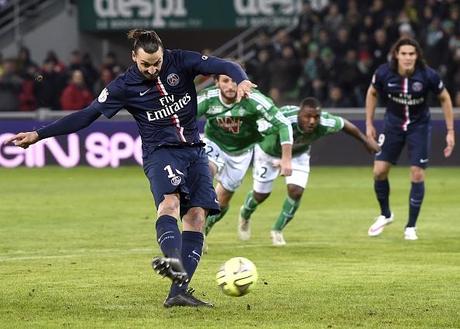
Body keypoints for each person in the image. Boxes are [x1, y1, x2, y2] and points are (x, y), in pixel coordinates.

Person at [4, 29, 256, 308]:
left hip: (195, 151)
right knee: (170, 204)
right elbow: (86, 116)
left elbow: (225, 65)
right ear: (134, 57)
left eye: (157, 62)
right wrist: (39, 135)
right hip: (160, 153)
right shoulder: (122, 87)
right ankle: (173, 261)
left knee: (197, 217)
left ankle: (178, 293)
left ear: (163, 54)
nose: (152, 69)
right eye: (145, 63)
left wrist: (242, 79)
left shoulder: (181, 61)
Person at [238, 97, 380, 246]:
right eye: (308, 117)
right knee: (261, 195)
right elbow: (256, 125)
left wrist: (365, 141)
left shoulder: (325, 122)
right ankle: (245, 213)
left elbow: (345, 124)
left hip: (298, 155)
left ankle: (277, 230)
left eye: (316, 117)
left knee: (296, 191)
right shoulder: (283, 117)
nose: (312, 121)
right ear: (300, 114)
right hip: (268, 153)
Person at [365, 37, 455, 240]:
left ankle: (410, 227)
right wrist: (369, 123)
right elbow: (372, 93)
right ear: (396, 54)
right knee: (379, 171)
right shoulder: (383, 73)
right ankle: (386, 214)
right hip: (392, 125)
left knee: (417, 174)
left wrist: (450, 131)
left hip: (419, 126)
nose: (407, 58)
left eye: (411, 54)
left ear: (417, 56)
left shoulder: (428, 75)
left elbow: (445, 97)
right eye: (404, 53)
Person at [197, 74, 293, 240]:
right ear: (216, 82)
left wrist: (286, 159)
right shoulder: (207, 98)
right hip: (214, 144)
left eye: (234, 81)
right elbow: (182, 120)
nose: (230, 86)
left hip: (241, 152)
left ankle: (205, 228)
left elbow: (283, 124)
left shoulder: (254, 99)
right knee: (206, 171)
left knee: (222, 201)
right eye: (225, 81)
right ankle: (194, 229)